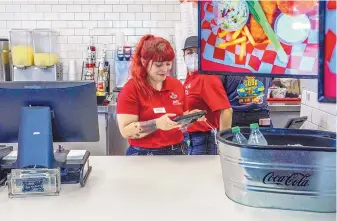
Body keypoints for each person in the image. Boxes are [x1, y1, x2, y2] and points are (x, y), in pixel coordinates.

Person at [116, 34, 201, 156]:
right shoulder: (131, 89)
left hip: (178, 150)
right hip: (143, 154)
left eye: (168, 64)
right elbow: (125, 131)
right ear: (144, 62)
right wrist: (156, 124)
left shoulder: (176, 85)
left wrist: (191, 118)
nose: (165, 69)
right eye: (158, 65)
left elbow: (180, 119)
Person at [182, 36, 233, 155]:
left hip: (203, 141)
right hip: (191, 139)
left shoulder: (207, 78)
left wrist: (223, 144)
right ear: (183, 56)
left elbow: (226, 111)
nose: (193, 56)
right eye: (189, 52)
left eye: (197, 52)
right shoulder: (189, 79)